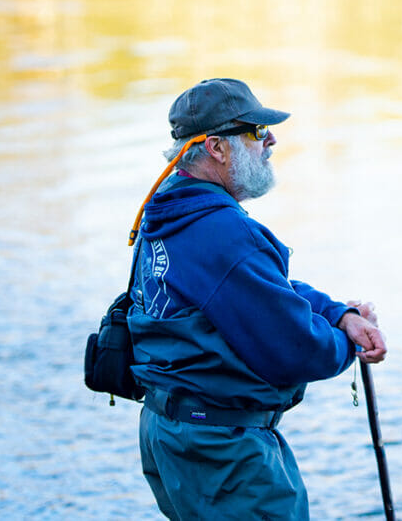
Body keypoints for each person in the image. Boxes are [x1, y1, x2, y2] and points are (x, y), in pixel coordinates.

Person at [127, 77, 387, 520]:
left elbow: (255, 287)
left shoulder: (164, 213)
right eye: (254, 132)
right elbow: (296, 349)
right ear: (217, 148)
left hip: (168, 434)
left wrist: (339, 314)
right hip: (223, 452)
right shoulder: (224, 232)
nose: (270, 140)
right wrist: (349, 343)